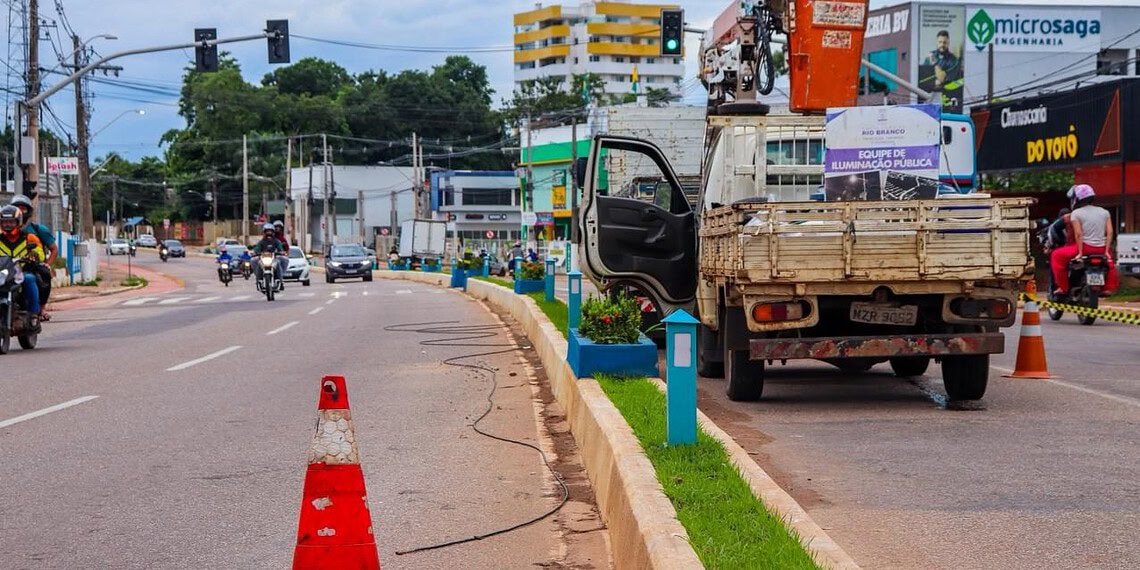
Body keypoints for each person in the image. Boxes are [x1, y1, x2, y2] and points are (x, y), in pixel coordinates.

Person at [1050, 184, 1119, 296]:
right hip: (1101, 249)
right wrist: (1106, 251)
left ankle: (1063, 287)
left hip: (1084, 248)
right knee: (1110, 265)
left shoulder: (1076, 213)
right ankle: (1107, 288)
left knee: (1056, 255)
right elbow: (1110, 232)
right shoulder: (1104, 212)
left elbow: (1079, 234)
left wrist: (1080, 253)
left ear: (1076, 199)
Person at [10, 194, 56, 320]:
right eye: (17, 208)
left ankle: (40, 309)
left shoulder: (36, 231)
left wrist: (46, 263)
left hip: (29, 266)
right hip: (8, 267)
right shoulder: (4, 232)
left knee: (43, 273)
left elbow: (52, 249)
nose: (20, 211)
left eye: (23, 208)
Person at [0, 205, 43, 324]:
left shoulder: (29, 237)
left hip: (21, 272)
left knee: (29, 279)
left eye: (11, 222)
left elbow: (40, 252)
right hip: (3, 273)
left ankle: (34, 314)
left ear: (18, 222)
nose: (8, 225)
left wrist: (34, 255)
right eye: (5, 222)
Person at [251, 223, 288, 290]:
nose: (269, 233)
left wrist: (281, 252)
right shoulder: (261, 242)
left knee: (281, 261)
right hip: (263, 259)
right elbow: (257, 249)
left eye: (270, 231)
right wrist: (255, 253)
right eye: (267, 231)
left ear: (273, 232)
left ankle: (281, 280)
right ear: (264, 232)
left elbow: (280, 249)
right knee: (254, 260)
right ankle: (258, 279)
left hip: (273, 259)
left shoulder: (276, 241)